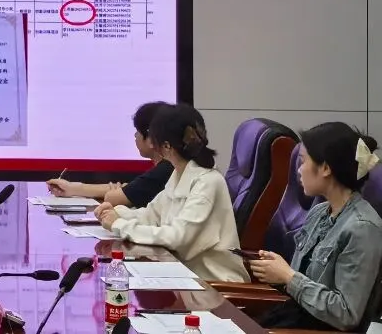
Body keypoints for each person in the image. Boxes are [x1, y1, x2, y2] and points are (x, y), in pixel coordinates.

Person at [248, 124, 382, 331]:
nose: (299, 170)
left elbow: (346, 314)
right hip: (293, 318)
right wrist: (276, 272)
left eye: (303, 161)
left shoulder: (362, 228)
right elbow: (302, 284)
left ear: (326, 168)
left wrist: (288, 277)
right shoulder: (319, 212)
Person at [96, 103, 249, 283]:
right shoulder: (180, 173)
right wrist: (116, 213)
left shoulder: (208, 182)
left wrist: (120, 225)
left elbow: (177, 237)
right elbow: (152, 215)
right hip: (185, 276)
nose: (151, 144)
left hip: (214, 284)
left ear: (167, 146)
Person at [47, 101, 173, 208]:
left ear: (151, 138)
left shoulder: (166, 169)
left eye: (138, 131)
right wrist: (73, 188)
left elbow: (113, 197)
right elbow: (130, 189)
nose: (135, 136)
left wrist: (119, 192)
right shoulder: (168, 166)